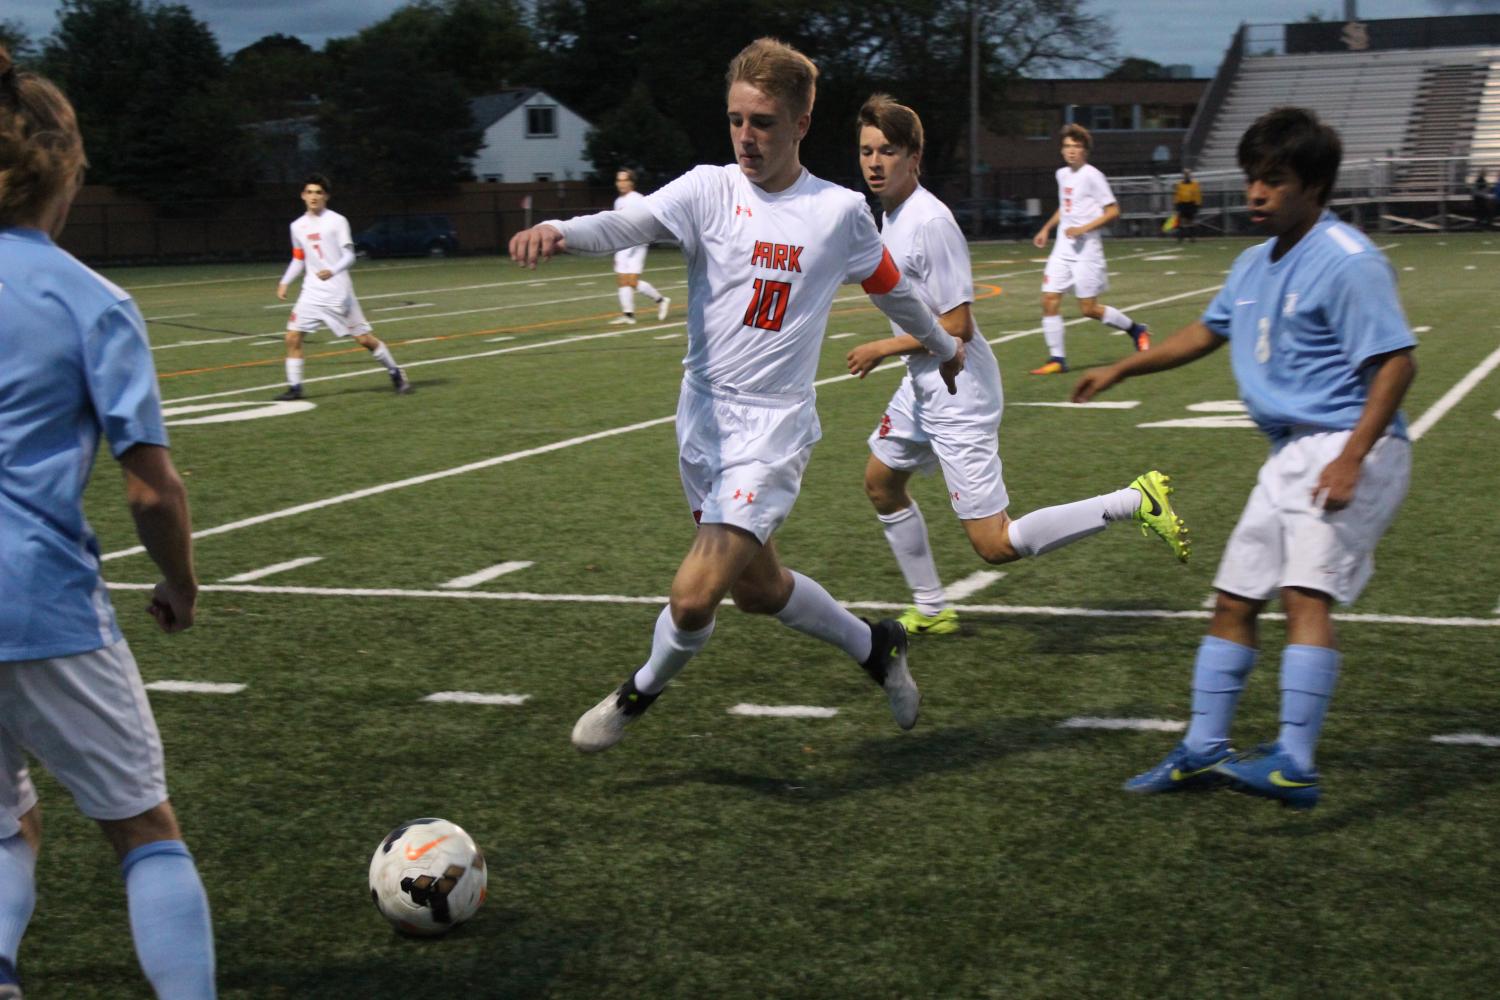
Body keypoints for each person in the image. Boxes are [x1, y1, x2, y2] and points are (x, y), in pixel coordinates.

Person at [510, 37, 967, 752]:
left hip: (772, 430)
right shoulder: (705, 190)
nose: (746, 139)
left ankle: (636, 695)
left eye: (763, 123)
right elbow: (622, 224)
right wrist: (557, 230)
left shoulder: (838, 211)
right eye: (736, 121)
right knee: (758, 590)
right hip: (701, 417)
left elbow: (894, 290)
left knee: (694, 597)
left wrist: (941, 347)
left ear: (801, 125)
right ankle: (878, 648)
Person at [1072, 107, 1418, 810]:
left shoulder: (1349, 261)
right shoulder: (1254, 262)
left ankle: (1294, 760)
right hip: (1291, 450)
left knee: (1304, 595)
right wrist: (1122, 368)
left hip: (1350, 445)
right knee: (1234, 598)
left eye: (1275, 181)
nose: (1257, 193)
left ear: (1314, 186)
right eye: (1253, 179)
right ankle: (1203, 749)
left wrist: (1352, 458)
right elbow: (1206, 332)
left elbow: (1396, 366)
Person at [0, 46, 217, 997]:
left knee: (6, 821)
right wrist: (178, 580)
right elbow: (150, 490)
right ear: (68, 169)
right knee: (142, 828)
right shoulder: (93, 300)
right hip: (36, 596)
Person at [849, 94, 1191, 636]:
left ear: (914, 156)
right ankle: (932, 608)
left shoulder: (928, 223)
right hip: (925, 384)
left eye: (887, 150)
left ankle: (1133, 501)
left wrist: (880, 348)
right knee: (881, 482)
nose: (873, 162)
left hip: (959, 390)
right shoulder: (888, 217)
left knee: (994, 544)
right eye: (867, 150)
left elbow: (957, 326)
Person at [273, 174, 411, 400]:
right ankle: (295, 388)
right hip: (311, 292)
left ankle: (395, 372)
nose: (314, 196)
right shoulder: (297, 226)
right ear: (302, 196)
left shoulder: (337, 221)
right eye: (309, 192)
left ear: (326, 196)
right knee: (292, 337)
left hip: (339, 293)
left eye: (319, 192)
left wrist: (333, 270)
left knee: (364, 339)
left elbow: (349, 256)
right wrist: (285, 281)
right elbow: (298, 258)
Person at [1029, 124, 1150, 375]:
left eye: (1076, 147)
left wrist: (1084, 227)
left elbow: (1113, 211)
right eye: (1067, 146)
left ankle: (1135, 329)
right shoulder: (1062, 174)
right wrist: (1046, 228)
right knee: (1049, 298)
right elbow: (1065, 207)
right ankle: (1057, 359)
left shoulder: (1092, 175)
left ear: (1085, 151)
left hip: (1087, 249)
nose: (1071, 151)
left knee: (1088, 308)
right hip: (1064, 246)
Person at [608, 168, 670, 325]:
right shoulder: (618, 201)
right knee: (622, 280)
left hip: (637, 244)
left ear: (631, 182)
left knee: (632, 281)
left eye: (624, 180)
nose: (621, 183)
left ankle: (661, 300)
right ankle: (628, 315)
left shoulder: (638, 198)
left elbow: (649, 217)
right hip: (623, 243)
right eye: (619, 180)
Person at [1172, 168, 1202, 243]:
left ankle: (1192, 238)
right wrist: (1176, 204)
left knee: (1191, 221)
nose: (1187, 175)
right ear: (1183, 175)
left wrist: (1198, 204)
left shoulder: (1195, 184)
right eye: (1185, 174)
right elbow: (1177, 195)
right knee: (1181, 221)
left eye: (1188, 174)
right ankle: (1180, 238)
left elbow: (1197, 194)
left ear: (1190, 175)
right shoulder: (1179, 184)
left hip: (1191, 203)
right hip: (1182, 204)